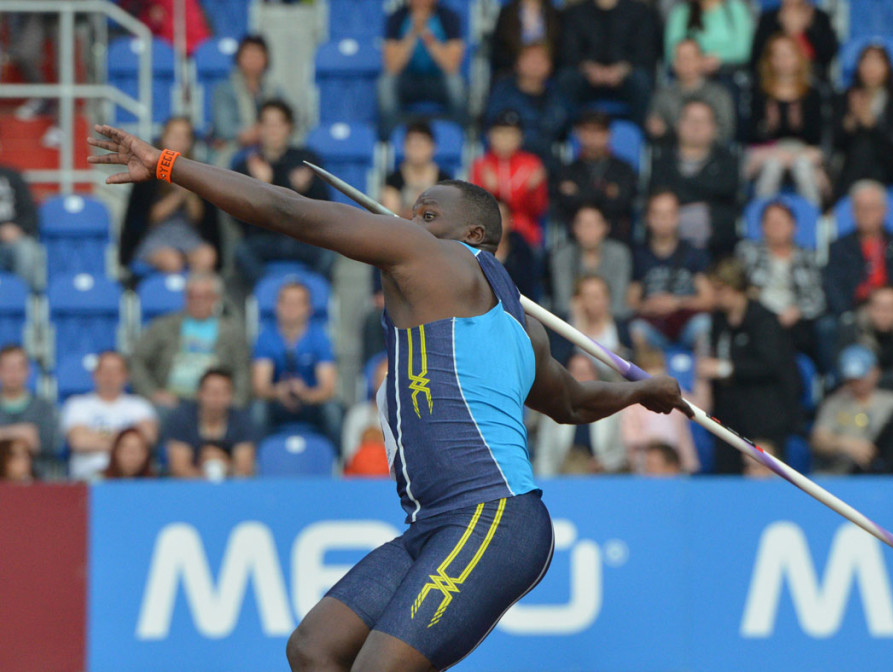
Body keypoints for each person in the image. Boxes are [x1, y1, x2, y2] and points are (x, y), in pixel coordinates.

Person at [88, 121, 689, 672]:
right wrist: (641, 390)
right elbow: (576, 403)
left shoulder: (434, 258)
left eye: (426, 214)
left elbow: (285, 210)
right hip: (434, 524)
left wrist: (169, 164)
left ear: (472, 235)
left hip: (492, 516)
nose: (406, 221)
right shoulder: (521, 328)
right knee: (314, 649)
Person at [698, 257, 802, 475]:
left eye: (719, 289)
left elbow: (770, 365)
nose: (714, 296)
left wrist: (725, 369)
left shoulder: (764, 320)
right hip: (728, 418)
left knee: (762, 484)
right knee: (727, 482)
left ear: (735, 287)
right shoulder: (719, 321)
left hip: (764, 417)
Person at [231, 99, 334, 284]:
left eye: (279, 124)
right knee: (241, 253)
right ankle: (269, 297)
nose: (273, 130)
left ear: (289, 127)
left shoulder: (307, 159)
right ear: (259, 128)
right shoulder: (245, 164)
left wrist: (306, 188)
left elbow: (326, 206)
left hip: (304, 237)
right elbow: (238, 218)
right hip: (263, 238)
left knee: (329, 255)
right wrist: (262, 188)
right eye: (267, 124)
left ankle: (309, 299)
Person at [130, 272, 250, 412]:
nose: (198, 301)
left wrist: (235, 402)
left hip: (217, 402)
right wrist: (152, 394)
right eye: (192, 296)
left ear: (216, 299)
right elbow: (137, 359)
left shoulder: (232, 332)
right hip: (171, 400)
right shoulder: (162, 327)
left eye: (205, 297)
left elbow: (242, 371)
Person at [119, 117, 219, 275]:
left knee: (207, 256)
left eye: (184, 136)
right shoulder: (147, 173)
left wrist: (190, 191)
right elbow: (147, 218)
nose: (179, 141)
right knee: (172, 262)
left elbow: (200, 218)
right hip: (156, 236)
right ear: (163, 138)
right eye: (174, 136)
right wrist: (179, 194)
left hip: (188, 235)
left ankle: (199, 296)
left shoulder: (200, 172)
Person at [736, 200, 825, 363]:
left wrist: (798, 310)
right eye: (770, 222)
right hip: (758, 317)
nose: (776, 226)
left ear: (794, 226)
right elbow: (739, 289)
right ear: (762, 227)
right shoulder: (748, 252)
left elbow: (817, 298)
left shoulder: (807, 256)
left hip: (794, 319)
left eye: (781, 222)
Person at [251, 280, 341, 441]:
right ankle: (258, 461)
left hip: (311, 401)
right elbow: (260, 387)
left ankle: (335, 460)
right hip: (276, 401)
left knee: (333, 410)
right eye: (285, 302)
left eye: (297, 303)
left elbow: (327, 388)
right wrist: (279, 391)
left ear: (309, 308)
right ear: (276, 306)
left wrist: (305, 394)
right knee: (257, 410)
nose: (290, 308)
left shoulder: (320, 338)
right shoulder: (265, 337)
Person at [648, 100, 740, 256]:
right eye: (690, 119)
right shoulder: (661, 159)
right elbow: (657, 192)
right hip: (664, 249)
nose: (696, 126)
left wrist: (681, 190)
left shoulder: (728, 161)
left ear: (714, 128)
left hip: (715, 248)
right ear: (678, 124)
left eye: (703, 121)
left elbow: (727, 192)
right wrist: (705, 192)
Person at [746, 34, 828, 207]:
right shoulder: (759, 92)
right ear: (770, 61)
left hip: (802, 151)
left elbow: (816, 136)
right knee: (772, 166)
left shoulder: (812, 93)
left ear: (798, 58)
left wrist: (797, 124)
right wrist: (769, 126)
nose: (783, 60)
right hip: (768, 151)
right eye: (777, 55)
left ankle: (814, 216)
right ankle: (761, 214)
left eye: (788, 54)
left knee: (803, 167)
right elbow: (750, 135)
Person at [824, 180, 893, 319]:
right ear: (853, 212)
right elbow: (833, 286)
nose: (866, 214)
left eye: (871, 208)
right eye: (861, 208)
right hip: (855, 311)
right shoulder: (839, 247)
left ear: (884, 210)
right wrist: (846, 314)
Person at [628, 189, 713, 351]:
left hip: (687, 324)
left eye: (669, 214)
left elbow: (708, 300)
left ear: (678, 217)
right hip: (654, 327)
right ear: (647, 218)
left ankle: (702, 375)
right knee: (636, 329)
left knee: (704, 324)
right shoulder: (639, 255)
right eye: (657, 214)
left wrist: (677, 303)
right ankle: (645, 376)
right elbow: (631, 302)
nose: (663, 220)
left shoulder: (694, 253)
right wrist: (650, 305)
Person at [558, 0, 660, 126]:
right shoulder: (576, 13)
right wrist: (590, 68)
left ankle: (640, 137)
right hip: (587, 76)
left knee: (642, 81)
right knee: (566, 79)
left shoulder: (640, 12)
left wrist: (622, 69)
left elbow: (646, 51)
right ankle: (567, 136)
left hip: (626, 76)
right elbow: (568, 52)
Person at [61, 351, 159, 481]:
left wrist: (96, 433)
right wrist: (124, 440)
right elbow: (79, 441)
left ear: (126, 375)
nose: (109, 376)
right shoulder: (77, 405)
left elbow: (147, 439)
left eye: (115, 371)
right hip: (88, 480)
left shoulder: (140, 406)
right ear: (94, 375)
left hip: (133, 478)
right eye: (105, 370)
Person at [810, 345, 893, 474]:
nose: (857, 382)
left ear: (875, 372)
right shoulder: (834, 403)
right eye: (852, 378)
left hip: (885, 473)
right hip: (842, 473)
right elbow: (818, 441)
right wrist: (845, 444)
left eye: (861, 376)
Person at [832, 44, 893, 197]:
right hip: (852, 161)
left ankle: (841, 201)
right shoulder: (844, 97)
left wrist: (871, 124)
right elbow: (836, 144)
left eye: (877, 62)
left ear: (887, 67)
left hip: (889, 162)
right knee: (862, 147)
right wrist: (851, 123)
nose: (871, 68)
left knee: (866, 145)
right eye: (866, 62)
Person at [378, 0, 466, 137]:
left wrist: (426, 35)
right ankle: (389, 140)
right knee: (385, 84)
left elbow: (451, 66)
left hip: (438, 80)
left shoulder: (449, 17)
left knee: (456, 84)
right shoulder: (396, 17)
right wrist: (413, 33)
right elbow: (392, 67)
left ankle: (459, 138)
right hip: (407, 80)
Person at [532, 353, 627, 476]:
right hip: (563, 479)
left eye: (585, 373)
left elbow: (622, 453)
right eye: (576, 373)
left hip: (603, 479)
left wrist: (604, 463)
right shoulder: (553, 411)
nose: (581, 379)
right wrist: (547, 486)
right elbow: (545, 454)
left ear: (595, 376)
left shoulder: (611, 411)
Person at [552, 111, 637, 243]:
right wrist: (606, 191)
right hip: (576, 242)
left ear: (609, 134)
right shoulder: (567, 170)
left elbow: (624, 203)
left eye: (598, 131)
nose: (592, 137)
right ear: (578, 133)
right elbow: (564, 205)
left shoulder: (624, 169)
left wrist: (581, 192)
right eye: (587, 131)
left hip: (616, 240)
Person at [470, 110, 548, 248]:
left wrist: (533, 191)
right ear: (490, 136)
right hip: (490, 234)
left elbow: (538, 210)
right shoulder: (481, 165)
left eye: (511, 133)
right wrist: (490, 191)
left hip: (525, 233)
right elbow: (477, 211)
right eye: (500, 133)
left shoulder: (532, 163)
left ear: (520, 137)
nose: (505, 139)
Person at [484, 41, 569, 166]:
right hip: (506, 156)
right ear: (517, 63)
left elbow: (560, 126)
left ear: (550, 66)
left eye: (540, 60)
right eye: (530, 59)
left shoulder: (557, 94)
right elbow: (493, 124)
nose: (535, 65)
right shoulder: (502, 91)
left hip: (544, 159)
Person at [836, 286, 893, 399]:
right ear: (868, 309)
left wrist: (881, 378)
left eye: (891, 308)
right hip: (862, 400)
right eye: (879, 308)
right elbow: (853, 379)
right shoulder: (853, 333)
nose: (884, 314)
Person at [619, 346, 700, 474]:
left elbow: (699, 408)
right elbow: (629, 437)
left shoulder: (676, 395)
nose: (655, 376)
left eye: (659, 370)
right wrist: (651, 439)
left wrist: (701, 377)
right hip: (645, 463)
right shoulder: (632, 403)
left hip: (676, 460)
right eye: (649, 371)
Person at [165, 368, 257, 480]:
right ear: (199, 393)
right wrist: (205, 477)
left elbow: (244, 470)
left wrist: (223, 464)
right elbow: (179, 468)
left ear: (231, 395)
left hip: (230, 488)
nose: (216, 398)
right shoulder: (181, 419)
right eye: (212, 392)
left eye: (223, 392)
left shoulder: (242, 421)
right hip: (190, 488)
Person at [647, 39, 736, 145]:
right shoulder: (662, 95)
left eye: (691, 58)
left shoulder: (719, 94)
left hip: (713, 155)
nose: (686, 63)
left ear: (702, 60)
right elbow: (654, 128)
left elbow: (726, 131)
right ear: (674, 64)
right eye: (681, 58)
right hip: (672, 155)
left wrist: (696, 139)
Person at [549, 205, 632, 318]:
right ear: (574, 228)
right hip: (572, 322)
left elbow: (618, 302)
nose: (587, 230)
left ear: (605, 227)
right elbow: (563, 303)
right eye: (582, 225)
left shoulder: (619, 254)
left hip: (611, 321)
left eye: (593, 225)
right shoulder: (561, 256)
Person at [210, 35, 288, 155]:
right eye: (248, 55)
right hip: (234, 149)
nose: (253, 60)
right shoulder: (224, 89)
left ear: (266, 59)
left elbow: (286, 121)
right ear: (239, 58)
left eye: (257, 55)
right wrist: (258, 133)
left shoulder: (275, 91)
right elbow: (224, 128)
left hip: (269, 150)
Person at [547, 273, 631, 377]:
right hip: (582, 386)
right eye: (589, 296)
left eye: (598, 296)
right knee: (580, 364)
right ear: (578, 300)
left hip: (614, 383)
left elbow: (632, 360)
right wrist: (579, 324)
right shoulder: (563, 328)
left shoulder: (619, 327)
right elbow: (559, 362)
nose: (595, 302)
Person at [750, 0, 838, 82]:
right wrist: (784, 29)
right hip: (773, 83)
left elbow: (827, 56)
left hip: (811, 82)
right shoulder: (768, 20)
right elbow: (758, 58)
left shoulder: (819, 19)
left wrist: (806, 29)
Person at [380, 121, 451, 220]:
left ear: (433, 147)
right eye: (412, 145)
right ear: (404, 147)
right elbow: (389, 214)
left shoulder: (445, 181)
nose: (416, 151)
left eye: (421, 146)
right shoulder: (392, 180)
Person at [663, 0, 754, 76]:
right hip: (688, 78)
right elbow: (671, 52)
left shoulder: (735, 9)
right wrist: (696, 62)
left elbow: (743, 51)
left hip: (728, 75)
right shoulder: (682, 12)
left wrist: (716, 59)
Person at [0, 345, 58, 464]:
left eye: (19, 368)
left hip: (36, 477)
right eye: (8, 368)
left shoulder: (44, 407)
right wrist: (24, 432)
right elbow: (31, 437)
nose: (13, 373)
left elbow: (51, 446)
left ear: (28, 371)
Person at [489, 0, 561, 77]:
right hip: (512, 73)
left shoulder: (554, 14)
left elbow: (560, 47)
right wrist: (521, 64)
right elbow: (498, 50)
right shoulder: (507, 14)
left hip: (550, 74)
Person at [0, 164, 39, 289]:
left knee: (27, 250)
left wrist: (17, 229)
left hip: (15, 238)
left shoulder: (13, 176)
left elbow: (31, 214)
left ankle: (23, 301)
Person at [493, 200, 539, 300]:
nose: (497, 222)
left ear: (510, 221)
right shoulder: (476, 251)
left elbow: (528, 289)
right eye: (492, 217)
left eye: (502, 217)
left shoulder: (522, 252)